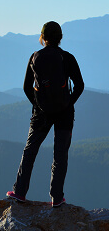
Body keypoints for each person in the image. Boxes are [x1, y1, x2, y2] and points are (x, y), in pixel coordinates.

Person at [6, 21, 84, 207]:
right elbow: (80, 86)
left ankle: (19, 192)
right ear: (60, 37)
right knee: (60, 154)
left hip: (41, 114)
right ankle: (56, 198)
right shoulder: (67, 58)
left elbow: (26, 87)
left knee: (30, 151)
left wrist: (38, 104)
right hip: (64, 113)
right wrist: (68, 103)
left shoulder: (35, 56)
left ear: (43, 37)